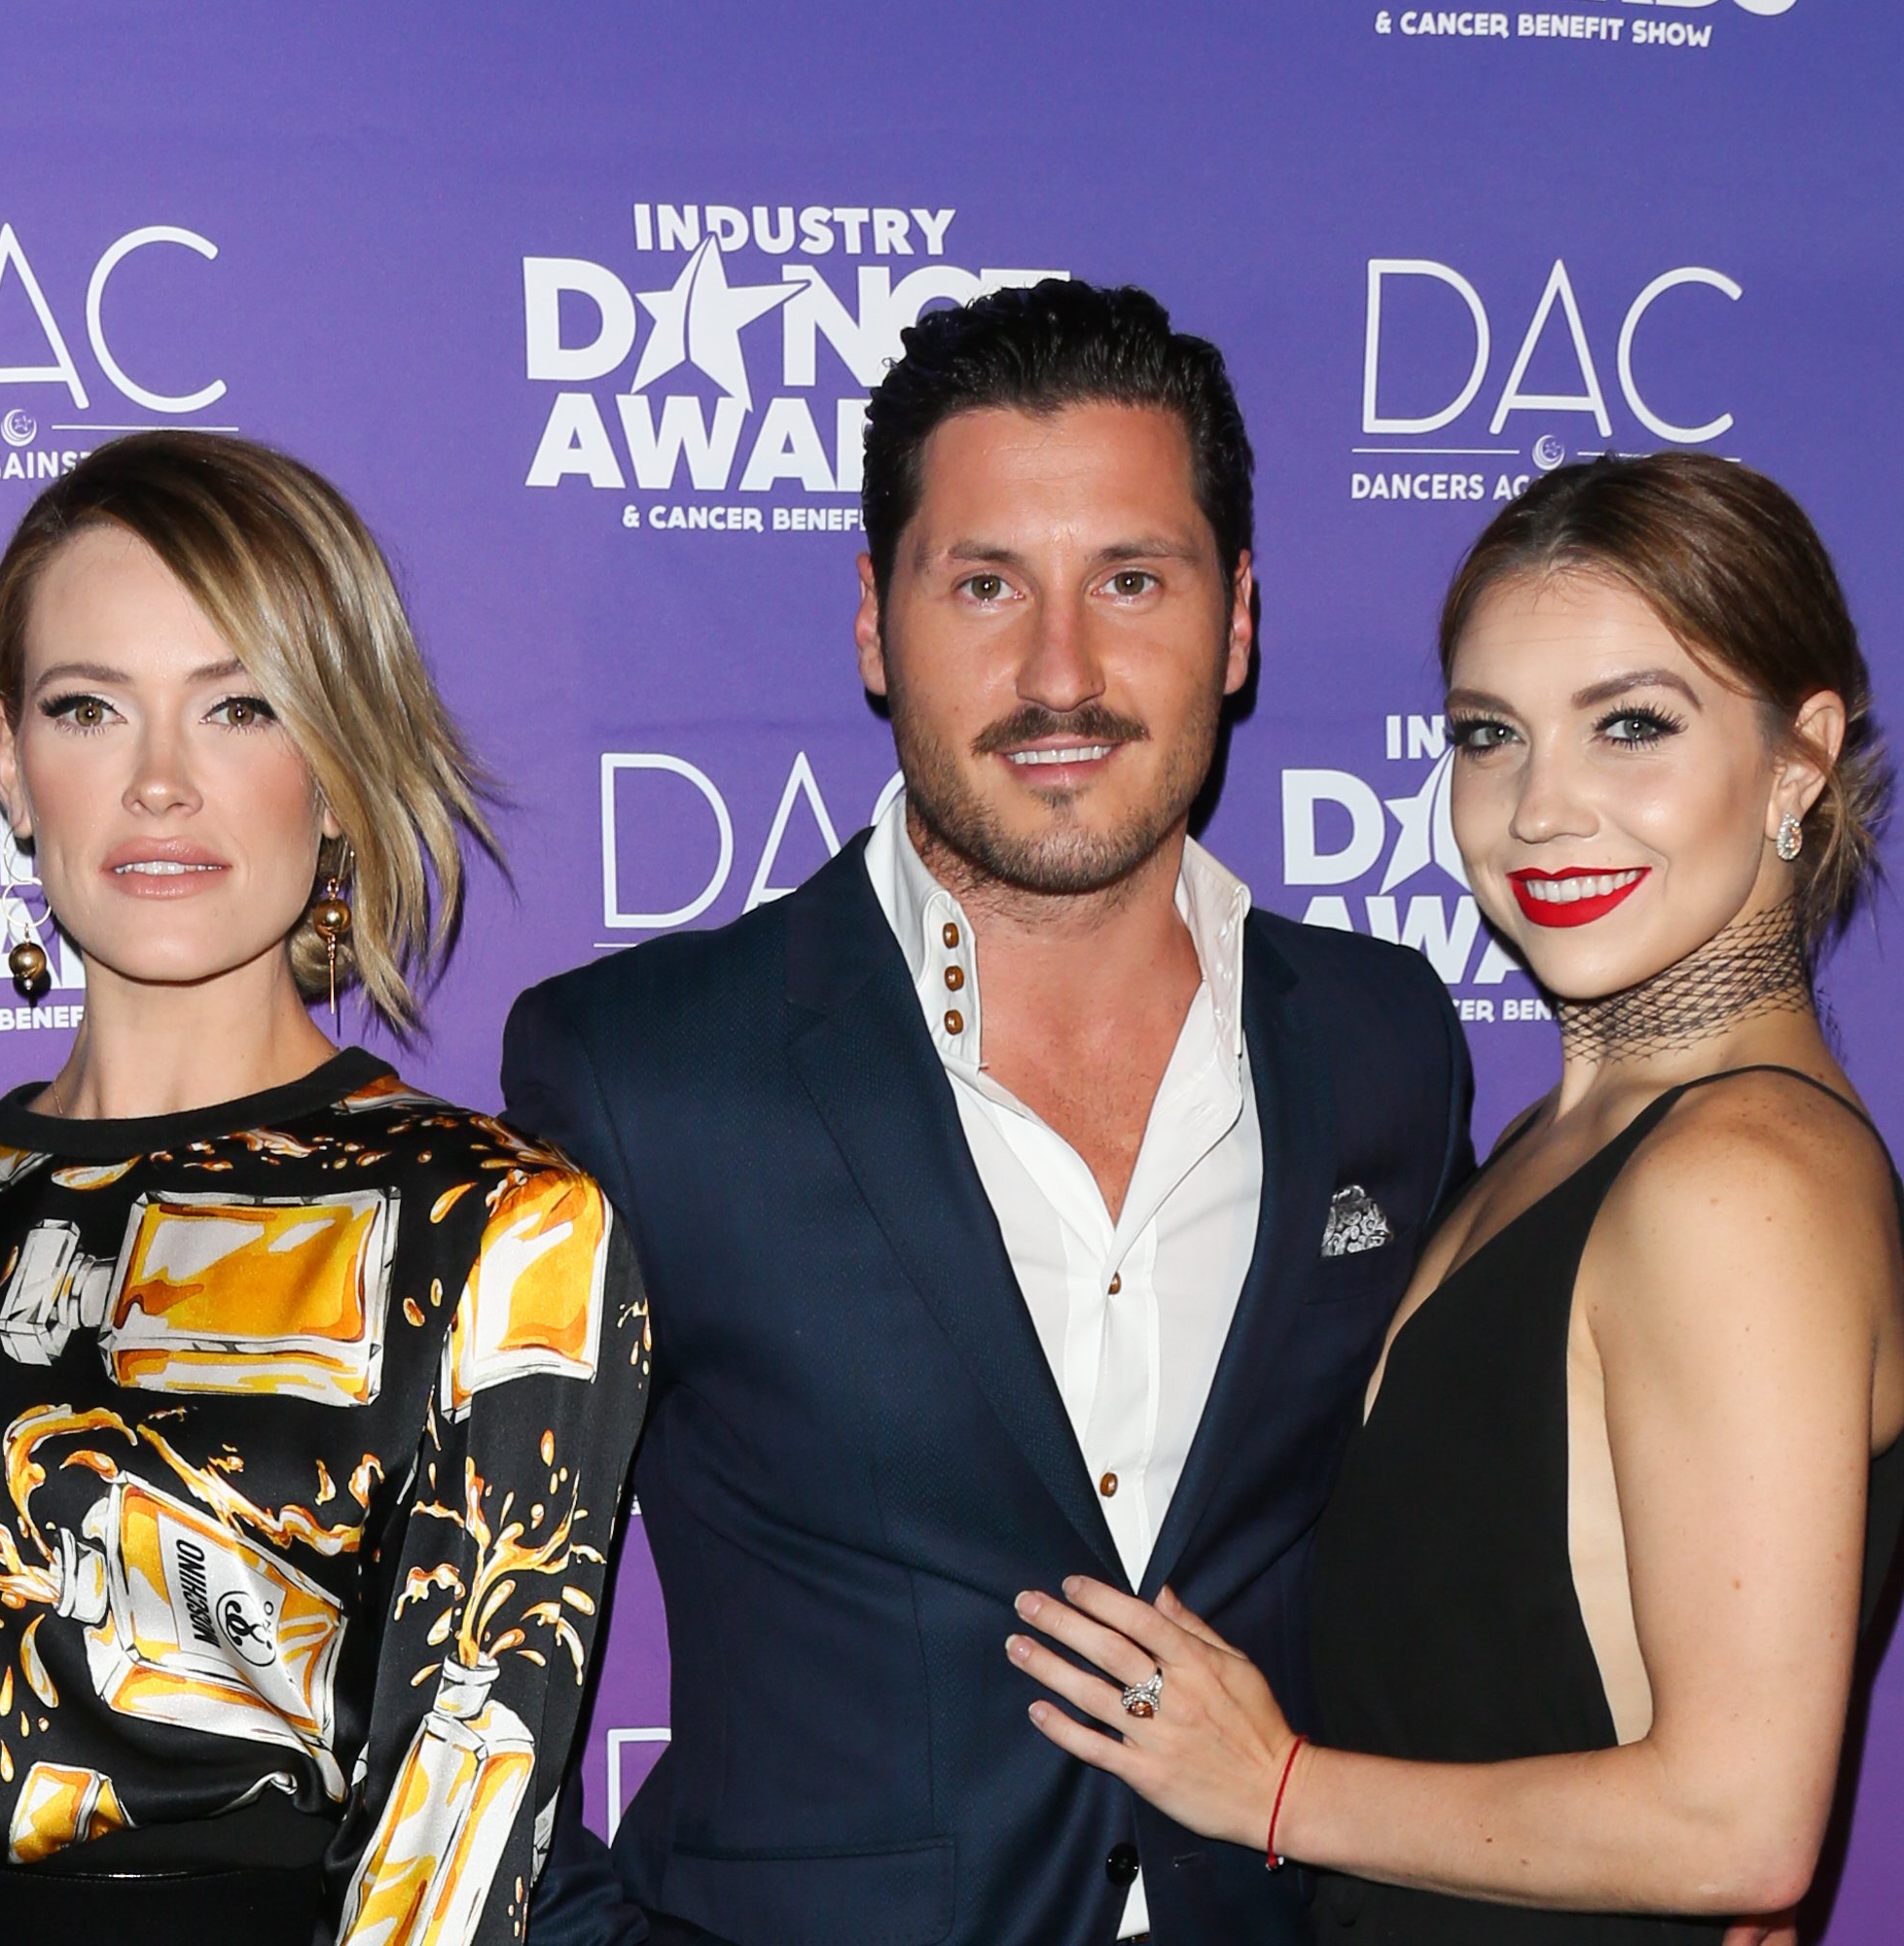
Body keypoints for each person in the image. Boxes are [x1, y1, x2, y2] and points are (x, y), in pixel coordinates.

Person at [508, 280, 1475, 1946]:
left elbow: (1460, 1553)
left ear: (1236, 621)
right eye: (983, 585)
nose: (1060, 672)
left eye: (1132, 579)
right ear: (876, 625)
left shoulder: (1389, 1041)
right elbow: (460, 1669)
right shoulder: (636, 1074)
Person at [1008, 452, 1904, 1945]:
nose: (1543, 809)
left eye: (1632, 726)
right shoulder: (1567, 1137)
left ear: (1799, 760)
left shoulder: (1739, 1182)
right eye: (1492, 735)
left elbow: (1736, 1825)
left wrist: (1278, 1789)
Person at [0, 430, 651, 1945]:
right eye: (88, 709)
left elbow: (458, 1838)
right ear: (9, 762)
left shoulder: (496, 1226)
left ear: (337, 763)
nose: (162, 781)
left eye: (239, 707)